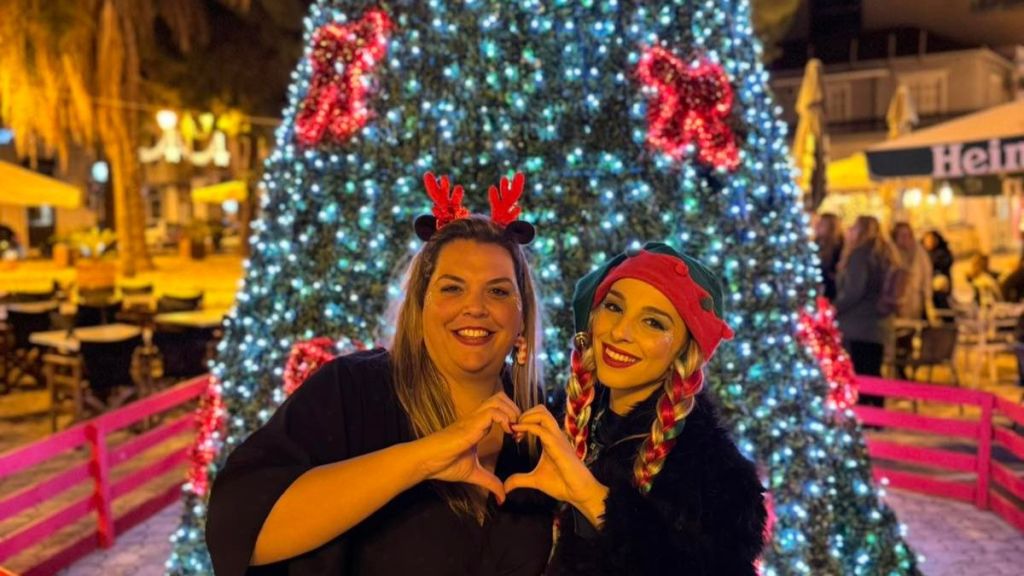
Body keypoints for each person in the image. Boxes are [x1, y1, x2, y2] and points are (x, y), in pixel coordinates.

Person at [205, 172, 553, 575]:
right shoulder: (351, 391)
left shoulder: (547, 422)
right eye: (452, 288)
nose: (475, 307)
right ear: (419, 308)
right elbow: (240, 534)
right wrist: (423, 457)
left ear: (521, 318)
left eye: (498, 291)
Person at [502, 242, 766, 575]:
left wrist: (591, 497)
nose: (620, 332)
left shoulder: (717, 480)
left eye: (653, 323)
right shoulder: (552, 423)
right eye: (614, 307)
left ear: (685, 351)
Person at [835, 216, 899, 408]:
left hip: (858, 324)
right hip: (880, 324)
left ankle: (864, 414)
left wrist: (834, 308)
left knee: (860, 373)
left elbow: (854, 290)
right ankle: (877, 413)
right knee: (873, 371)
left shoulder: (860, 255)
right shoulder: (886, 255)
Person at [813, 212, 844, 302]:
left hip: (830, 290)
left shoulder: (839, 246)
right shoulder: (817, 242)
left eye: (822, 224)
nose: (817, 226)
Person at [922, 230, 953, 311]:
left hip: (939, 286)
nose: (930, 242)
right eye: (927, 240)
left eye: (932, 239)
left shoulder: (943, 254)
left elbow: (942, 266)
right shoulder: (921, 255)